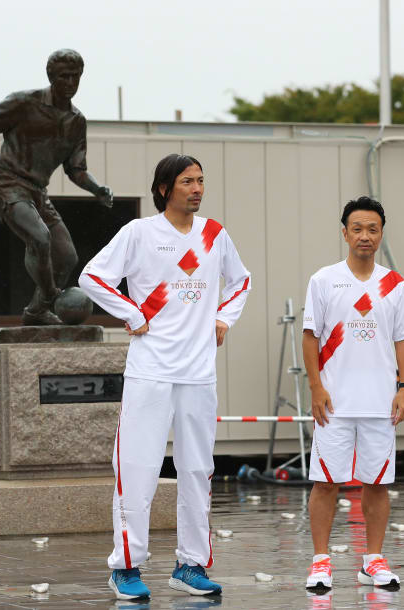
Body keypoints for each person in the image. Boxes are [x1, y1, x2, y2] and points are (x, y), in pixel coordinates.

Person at [79, 154, 252, 600]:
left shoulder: (215, 235)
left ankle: (190, 564)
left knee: (197, 469)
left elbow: (241, 282)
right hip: (151, 370)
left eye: (200, 180)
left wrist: (224, 319)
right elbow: (92, 276)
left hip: (198, 374)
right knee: (137, 468)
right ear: (163, 189)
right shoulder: (139, 233)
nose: (196, 188)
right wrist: (131, 311)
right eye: (186, 182)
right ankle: (127, 567)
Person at [301, 196, 404, 592]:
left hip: (379, 401)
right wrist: (316, 387)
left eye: (372, 229)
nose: (365, 236)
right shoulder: (324, 280)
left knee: (377, 483)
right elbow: (310, 336)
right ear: (345, 233)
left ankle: (373, 560)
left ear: (381, 232)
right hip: (334, 402)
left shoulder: (394, 284)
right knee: (326, 482)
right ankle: (320, 562)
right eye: (357, 229)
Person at [0, 49, 114, 325]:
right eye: (64, 77)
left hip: (37, 192)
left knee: (67, 256)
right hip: (6, 183)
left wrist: (98, 189)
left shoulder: (76, 121)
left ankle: (36, 311)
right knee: (40, 238)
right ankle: (51, 295)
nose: (70, 83)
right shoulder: (24, 103)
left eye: (76, 77)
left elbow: (76, 169)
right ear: (51, 77)